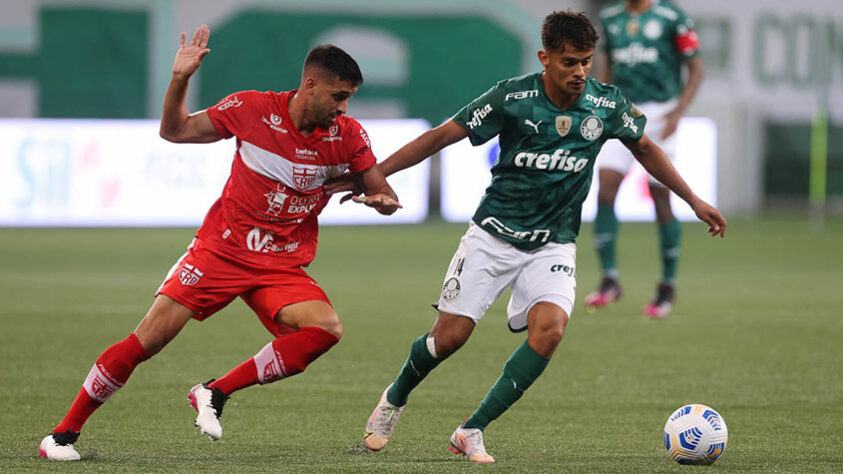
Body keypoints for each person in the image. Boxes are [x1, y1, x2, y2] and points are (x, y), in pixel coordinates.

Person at [325, 10, 724, 463]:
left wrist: (693, 200)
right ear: (545, 57)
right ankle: (395, 397)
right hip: (493, 235)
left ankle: (471, 430)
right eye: (569, 62)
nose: (579, 72)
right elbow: (440, 137)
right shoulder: (512, 97)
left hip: (553, 243)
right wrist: (371, 178)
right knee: (450, 338)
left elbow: (646, 149)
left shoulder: (606, 104)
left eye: (586, 62)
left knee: (550, 331)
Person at [38, 25, 401, 461]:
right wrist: (179, 79)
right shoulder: (252, 108)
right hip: (221, 251)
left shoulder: (348, 134)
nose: (344, 107)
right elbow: (174, 131)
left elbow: (381, 188)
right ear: (310, 85)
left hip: (279, 264)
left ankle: (215, 391)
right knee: (146, 342)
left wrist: (382, 202)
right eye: (338, 96)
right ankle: (61, 435)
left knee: (325, 329)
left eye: (349, 99)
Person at [585, 0, 704, 318]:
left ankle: (667, 285)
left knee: (660, 195)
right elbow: (606, 67)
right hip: (621, 109)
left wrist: (678, 110)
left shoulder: (672, 17)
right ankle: (609, 279)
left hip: (659, 111)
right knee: (605, 188)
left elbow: (696, 69)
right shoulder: (610, 18)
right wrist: (601, 101)